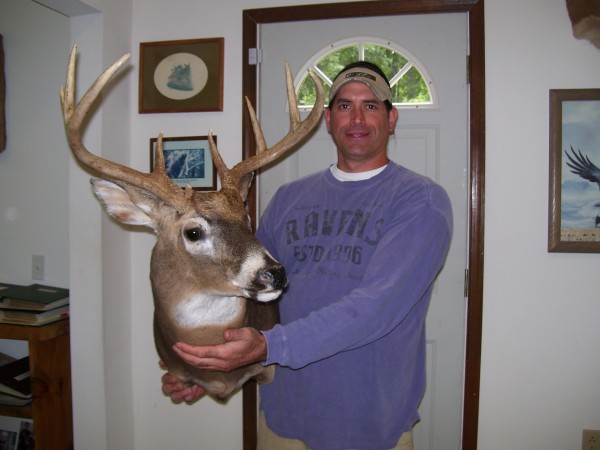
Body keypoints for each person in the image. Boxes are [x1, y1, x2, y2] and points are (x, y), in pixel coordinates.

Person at [162, 61, 453, 450]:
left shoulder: (419, 200)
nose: (357, 117)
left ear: (392, 117)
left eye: (371, 105)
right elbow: (254, 302)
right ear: (329, 120)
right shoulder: (288, 199)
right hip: (285, 416)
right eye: (345, 106)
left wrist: (270, 347)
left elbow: (377, 306)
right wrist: (209, 370)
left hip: (369, 420)